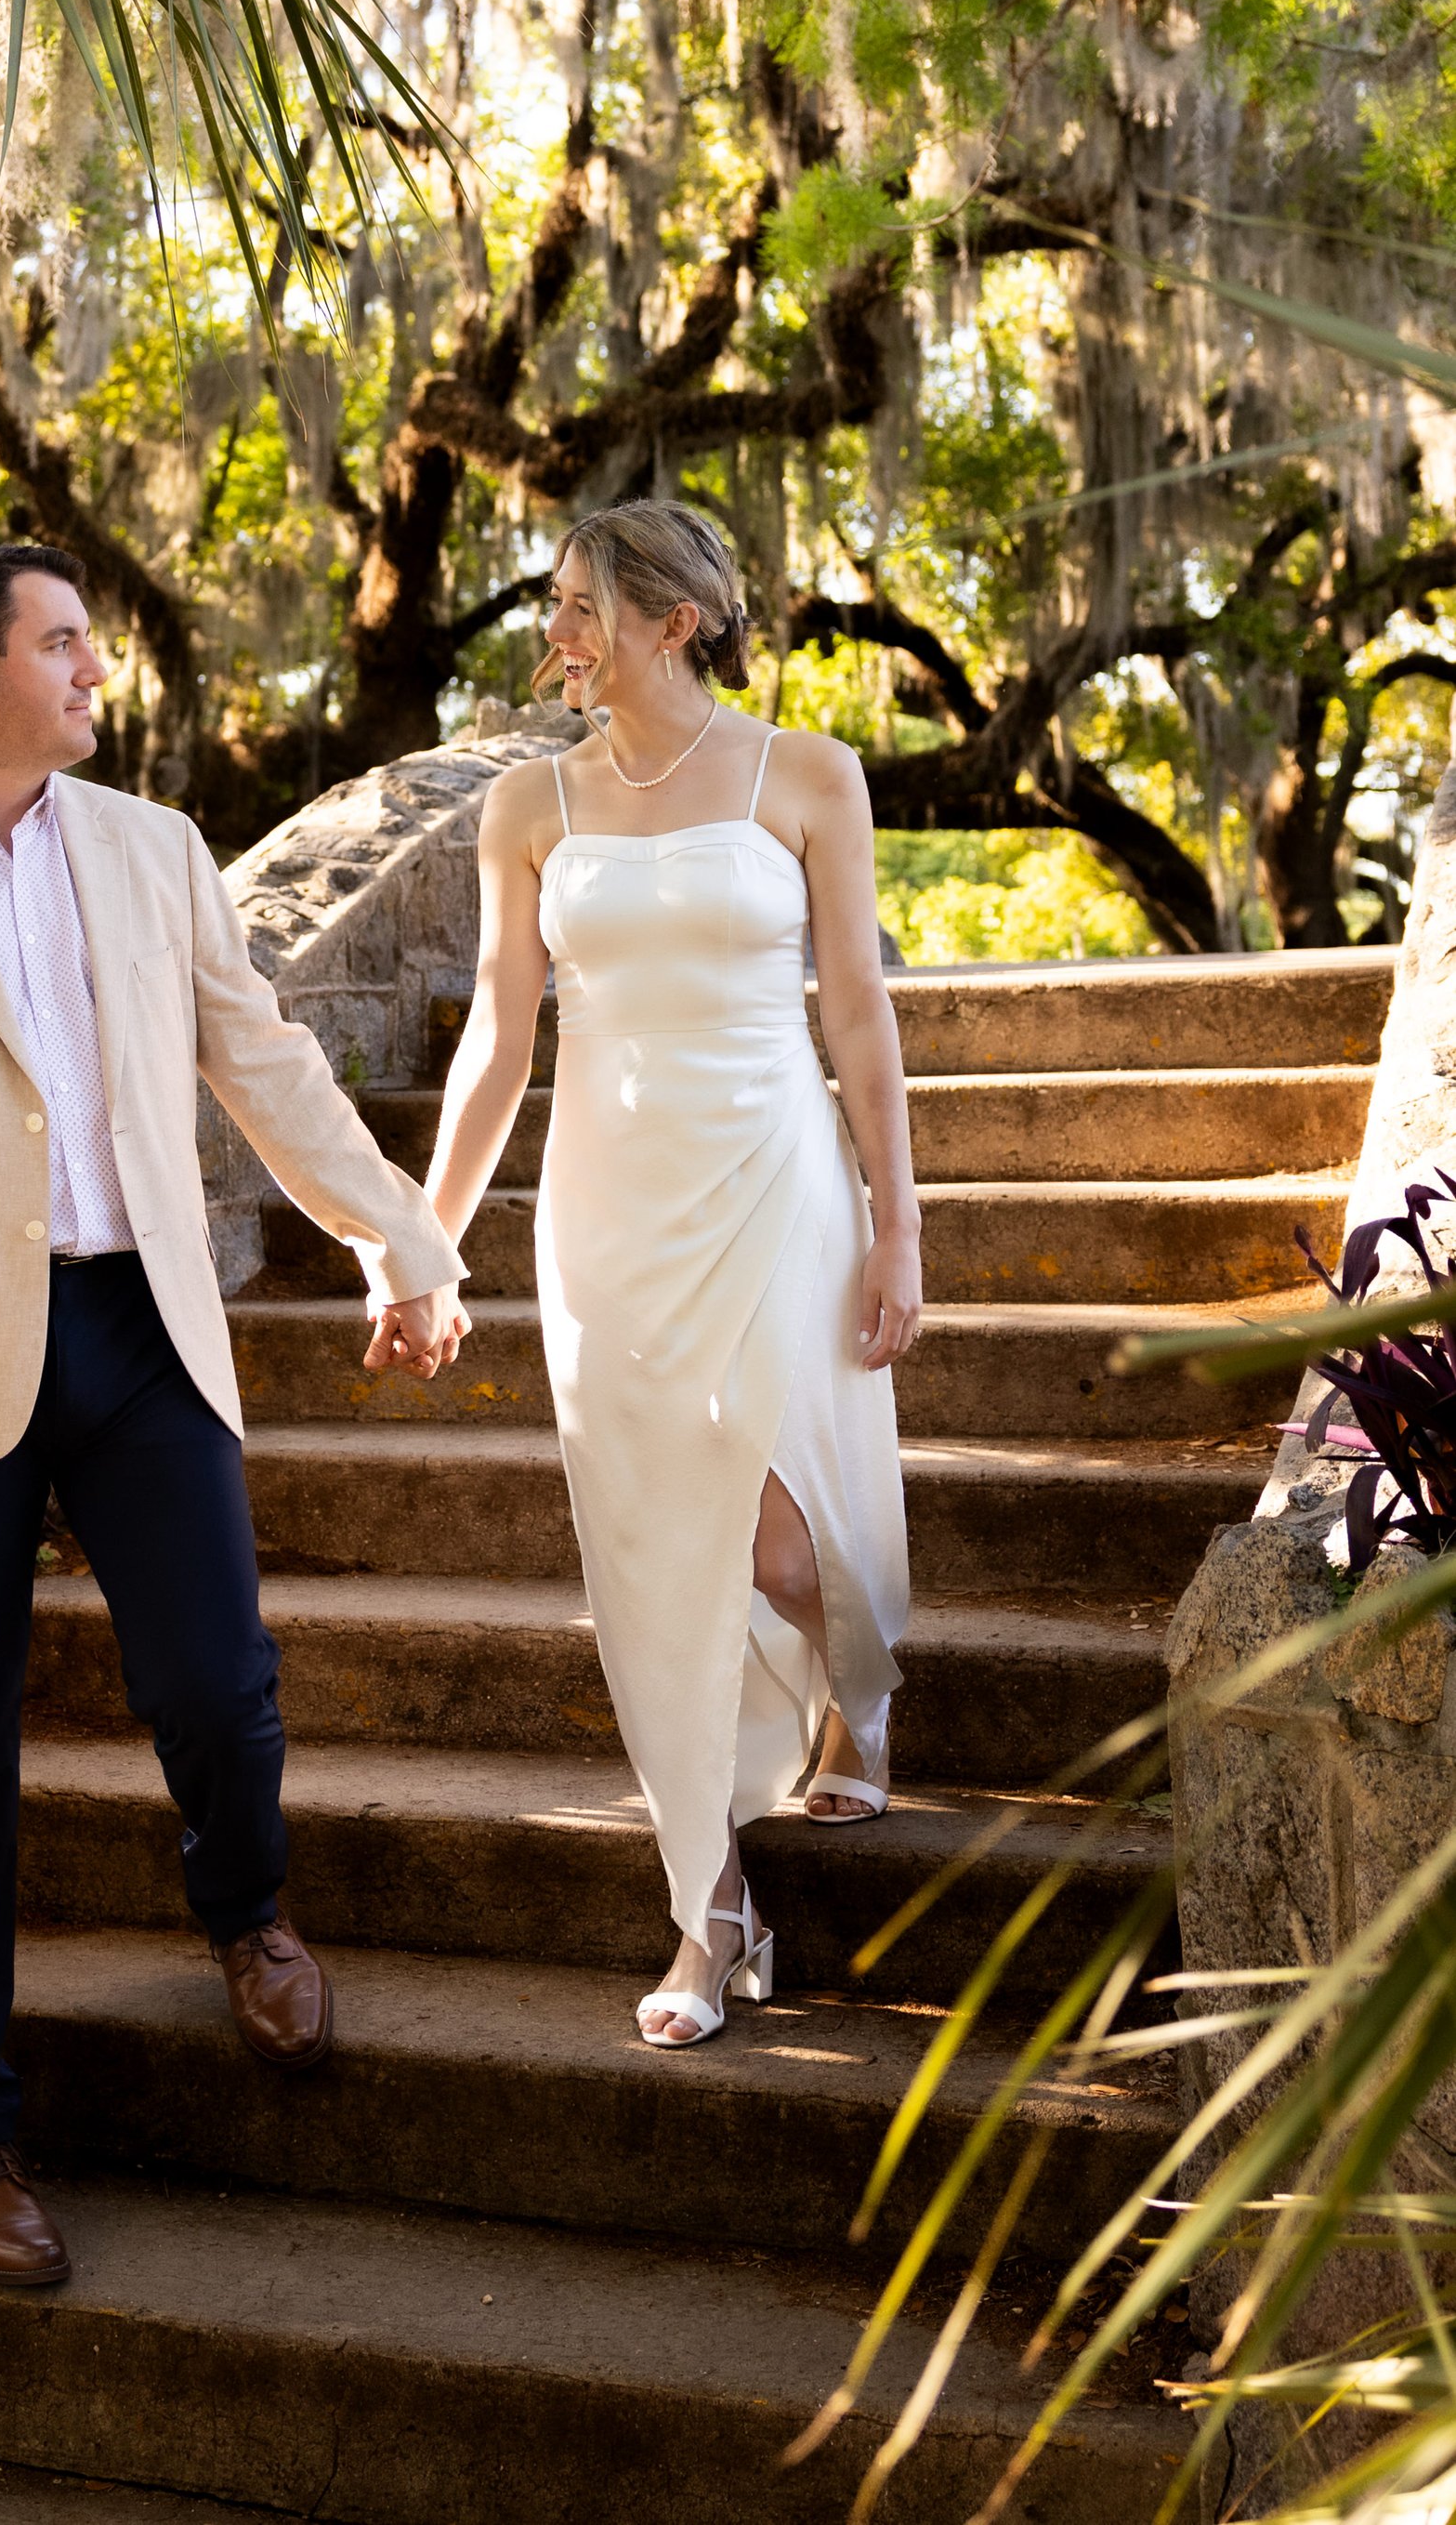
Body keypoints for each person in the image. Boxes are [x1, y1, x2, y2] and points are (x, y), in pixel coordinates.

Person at [0, 541, 466, 2284]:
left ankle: (249, 1913)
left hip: (140, 1327)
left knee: (219, 1677)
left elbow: (265, 1059)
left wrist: (404, 1233)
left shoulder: (153, 847)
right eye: (60, 644)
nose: (92, 670)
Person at [424, 502, 917, 2048]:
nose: (554, 634)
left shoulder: (807, 777)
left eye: (577, 607)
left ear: (672, 620)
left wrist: (901, 1226)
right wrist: (426, 1232)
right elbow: (503, 1039)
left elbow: (860, 1019)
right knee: (647, 1548)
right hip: (605, 1205)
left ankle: (858, 1680)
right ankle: (709, 1911)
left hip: (777, 1177)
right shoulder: (527, 807)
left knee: (781, 1547)